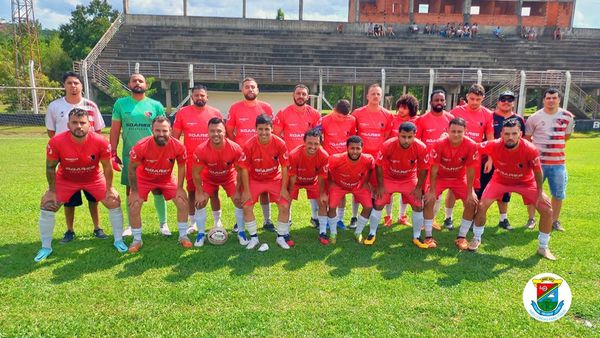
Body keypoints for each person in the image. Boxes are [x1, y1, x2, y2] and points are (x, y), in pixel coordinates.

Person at [35, 108, 125, 262]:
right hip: (66, 179)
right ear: (68, 125)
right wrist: (51, 191)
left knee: (114, 200)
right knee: (48, 204)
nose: (79, 126)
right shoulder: (56, 142)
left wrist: (110, 188)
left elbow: (107, 166)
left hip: (93, 178)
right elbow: (50, 167)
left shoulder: (100, 141)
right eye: (74, 123)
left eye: (82, 123)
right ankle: (46, 247)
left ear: (89, 125)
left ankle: (118, 240)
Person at [472, 119, 556, 260]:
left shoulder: (530, 149)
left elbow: (538, 171)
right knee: (481, 206)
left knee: (547, 210)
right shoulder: (494, 144)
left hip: (525, 182)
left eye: (514, 133)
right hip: (500, 180)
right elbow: (473, 146)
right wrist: (450, 138)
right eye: (507, 134)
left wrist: (540, 191)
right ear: (501, 134)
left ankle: (543, 247)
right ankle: (476, 238)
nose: (510, 137)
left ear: (520, 134)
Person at [45, 71, 107, 243]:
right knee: (69, 200)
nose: (73, 86)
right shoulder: (55, 106)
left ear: (81, 86)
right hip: (66, 162)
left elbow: (98, 132)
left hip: (90, 161)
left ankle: (97, 227)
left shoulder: (91, 106)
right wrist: (66, 148)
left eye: (76, 83)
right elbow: (52, 133)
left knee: (93, 198)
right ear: (64, 85)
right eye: (69, 83)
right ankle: (69, 230)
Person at [110, 73, 169, 236]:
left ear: (146, 85)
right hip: (131, 155)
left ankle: (163, 224)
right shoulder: (121, 104)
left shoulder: (155, 105)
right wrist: (112, 152)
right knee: (131, 190)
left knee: (158, 189)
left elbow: (163, 130)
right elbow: (115, 129)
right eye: (134, 80)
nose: (137, 83)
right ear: (129, 84)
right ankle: (130, 225)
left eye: (141, 81)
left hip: (154, 155)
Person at [127, 116, 189, 252]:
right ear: (152, 130)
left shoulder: (178, 146)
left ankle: (183, 236)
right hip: (144, 179)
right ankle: (137, 239)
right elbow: (131, 168)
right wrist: (135, 191)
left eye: (164, 131)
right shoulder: (141, 145)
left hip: (166, 179)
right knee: (134, 204)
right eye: (158, 130)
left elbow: (182, 166)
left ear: (170, 131)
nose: (161, 134)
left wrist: (180, 188)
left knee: (183, 202)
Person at [226, 77, 275, 232]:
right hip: (243, 155)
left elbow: (271, 129)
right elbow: (229, 129)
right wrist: (237, 146)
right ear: (242, 90)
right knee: (241, 187)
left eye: (253, 87)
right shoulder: (235, 107)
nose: (250, 90)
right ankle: (239, 221)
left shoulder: (266, 107)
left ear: (258, 89)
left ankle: (267, 220)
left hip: (263, 153)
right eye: (247, 87)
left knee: (265, 187)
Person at [172, 84, 223, 234]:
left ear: (207, 97)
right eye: (196, 95)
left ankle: (217, 220)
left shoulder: (215, 112)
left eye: (202, 95)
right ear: (192, 97)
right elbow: (175, 136)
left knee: (213, 190)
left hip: (212, 159)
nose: (199, 98)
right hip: (191, 160)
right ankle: (193, 221)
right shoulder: (183, 113)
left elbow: (220, 136)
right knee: (192, 190)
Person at [191, 118, 247, 246]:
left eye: (219, 131)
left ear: (225, 132)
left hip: (229, 177)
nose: (215, 134)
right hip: (209, 178)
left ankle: (241, 232)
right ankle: (200, 234)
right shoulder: (201, 149)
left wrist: (238, 191)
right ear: (208, 132)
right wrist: (199, 192)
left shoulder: (235, 148)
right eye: (212, 131)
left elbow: (240, 171)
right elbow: (196, 173)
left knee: (239, 201)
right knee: (200, 202)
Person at [524, 88, 575, 232]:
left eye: (554, 98)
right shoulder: (534, 117)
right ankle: (531, 218)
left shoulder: (567, 116)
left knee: (558, 193)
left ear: (559, 99)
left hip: (558, 163)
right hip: (538, 163)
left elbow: (566, 136)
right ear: (543, 100)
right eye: (548, 98)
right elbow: (527, 139)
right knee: (533, 192)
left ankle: (554, 220)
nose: (551, 100)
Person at [424, 118, 479, 250]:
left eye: (459, 131)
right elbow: (434, 168)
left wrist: (470, 191)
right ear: (447, 130)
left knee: (471, 202)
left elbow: (471, 169)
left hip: (459, 178)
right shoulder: (439, 143)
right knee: (428, 200)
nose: (456, 134)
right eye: (453, 131)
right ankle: (428, 236)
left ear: (465, 131)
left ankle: (461, 237)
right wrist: (431, 190)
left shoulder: (471, 145)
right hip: (440, 177)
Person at [239, 114, 291, 249]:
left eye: (267, 129)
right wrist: (246, 190)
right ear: (255, 129)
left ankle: (280, 237)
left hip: (274, 178)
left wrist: (284, 188)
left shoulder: (280, 143)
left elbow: (285, 167)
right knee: (246, 206)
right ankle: (254, 238)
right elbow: (244, 169)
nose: (263, 132)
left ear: (272, 129)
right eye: (260, 129)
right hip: (255, 179)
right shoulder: (249, 144)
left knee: (285, 205)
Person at [373, 122, 429, 247]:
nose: (406, 140)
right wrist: (381, 186)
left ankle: (417, 236)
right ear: (398, 134)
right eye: (403, 136)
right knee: (378, 203)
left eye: (410, 137)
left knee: (418, 205)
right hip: (389, 178)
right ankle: (372, 233)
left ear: (415, 135)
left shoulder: (421, 147)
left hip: (409, 179)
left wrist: (419, 188)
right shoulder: (387, 145)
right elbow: (378, 165)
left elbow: (424, 168)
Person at [273, 84, 321, 226]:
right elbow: (276, 135)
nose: (301, 96)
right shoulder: (283, 112)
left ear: (308, 96)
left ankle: (315, 217)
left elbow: (318, 136)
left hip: (310, 158)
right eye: (298, 93)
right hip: (290, 159)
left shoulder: (315, 114)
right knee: (289, 188)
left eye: (303, 94)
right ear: (293, 95)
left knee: (314, 187)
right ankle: (287, 218)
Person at [447, 84, 493, 230]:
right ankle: (448, 217)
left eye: (478, 99)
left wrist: (491, 158)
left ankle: (470, 218)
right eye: (471, 99)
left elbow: (490, 137)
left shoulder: (487, 114)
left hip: (475, 157)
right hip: (456, 156)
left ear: (483, 98)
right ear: (467, 97)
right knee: (453, 187)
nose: (474, 102)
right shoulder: (455, 112)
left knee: (473, 188)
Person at [350, 84, 392, 229]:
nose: (375, 96)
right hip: (360, 158)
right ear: (367, 96)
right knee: (359, 186)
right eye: (372, 93)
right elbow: (353, 134)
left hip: (379, 159)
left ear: (381, 96)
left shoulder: (387, 114)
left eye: (378, 94)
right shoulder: (357, 113)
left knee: (378, 187)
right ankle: (354, 217)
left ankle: (375, 215)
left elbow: (386, 137)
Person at [415, 90, 454, 230]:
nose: (439, 102)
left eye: (441, 100)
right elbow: (416, 142)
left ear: (445, 102)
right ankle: (421, 221)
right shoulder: (422, 119)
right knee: (424, 194)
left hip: (443, 164)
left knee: (437, 194)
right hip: (426, 164)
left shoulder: (451, 119)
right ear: (431, 102)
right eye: (436, 100)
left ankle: (431, 220)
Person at [326, 136, 376, 244]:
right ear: (347, 148)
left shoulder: (368, 159)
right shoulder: (336, 159)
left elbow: (371, 169)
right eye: (352, 148)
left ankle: (358, 232)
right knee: (331, 206)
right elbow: (327, 170)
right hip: (339, 186)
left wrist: (365, 182)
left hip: (357, 186)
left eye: (358, 148)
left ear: (362, 149)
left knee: (368, 207)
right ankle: (333, 233)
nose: (355, 151)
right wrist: (330, 183)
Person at [487, 91, 526, 230]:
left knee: (505, 191)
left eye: (510, 99)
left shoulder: (519, 119)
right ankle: (476, 217)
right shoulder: (490, 116)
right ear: (498, 102)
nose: (506, 102)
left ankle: (503, 219)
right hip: (490, 160)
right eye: (503, 99)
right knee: (483, 188)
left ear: (514, 102)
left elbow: (524, 140)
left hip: (509, 162)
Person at [318, 99, 357, 230]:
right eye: (338, 116)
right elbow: (317, 138)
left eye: (344, 117)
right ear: (333, 110)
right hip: (328, 161)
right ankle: (327, 219)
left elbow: (352, 140)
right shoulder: (324, 120)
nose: (341, 119)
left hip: (344, 162)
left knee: (342, 191)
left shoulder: (352, 120)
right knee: (327, 191)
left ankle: (339, 220)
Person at [287, 129, 329, 244]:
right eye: (310, 143)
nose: (313, 146)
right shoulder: (294, 155)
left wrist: (322, 194)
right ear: (304, 142)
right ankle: (284, 233)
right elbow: (292, 177)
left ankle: (323, 232)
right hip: (296, 181)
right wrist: (289, 194)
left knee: (322, 202)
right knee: (286, 201)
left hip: (312, 181)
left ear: (320, 143)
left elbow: (321, 177)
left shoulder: (324, 155)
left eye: (316, 144)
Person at [386, 94, 419, 228]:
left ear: (411, 109)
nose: (401, 110)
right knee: (389, 190)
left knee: (406, 190)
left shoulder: (417, 122)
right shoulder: (392, 120)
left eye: (404, 108)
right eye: (400, 106)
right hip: (391, 161)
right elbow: (387, 138)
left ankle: (402, 216)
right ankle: (388, 216)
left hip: (409, 162)